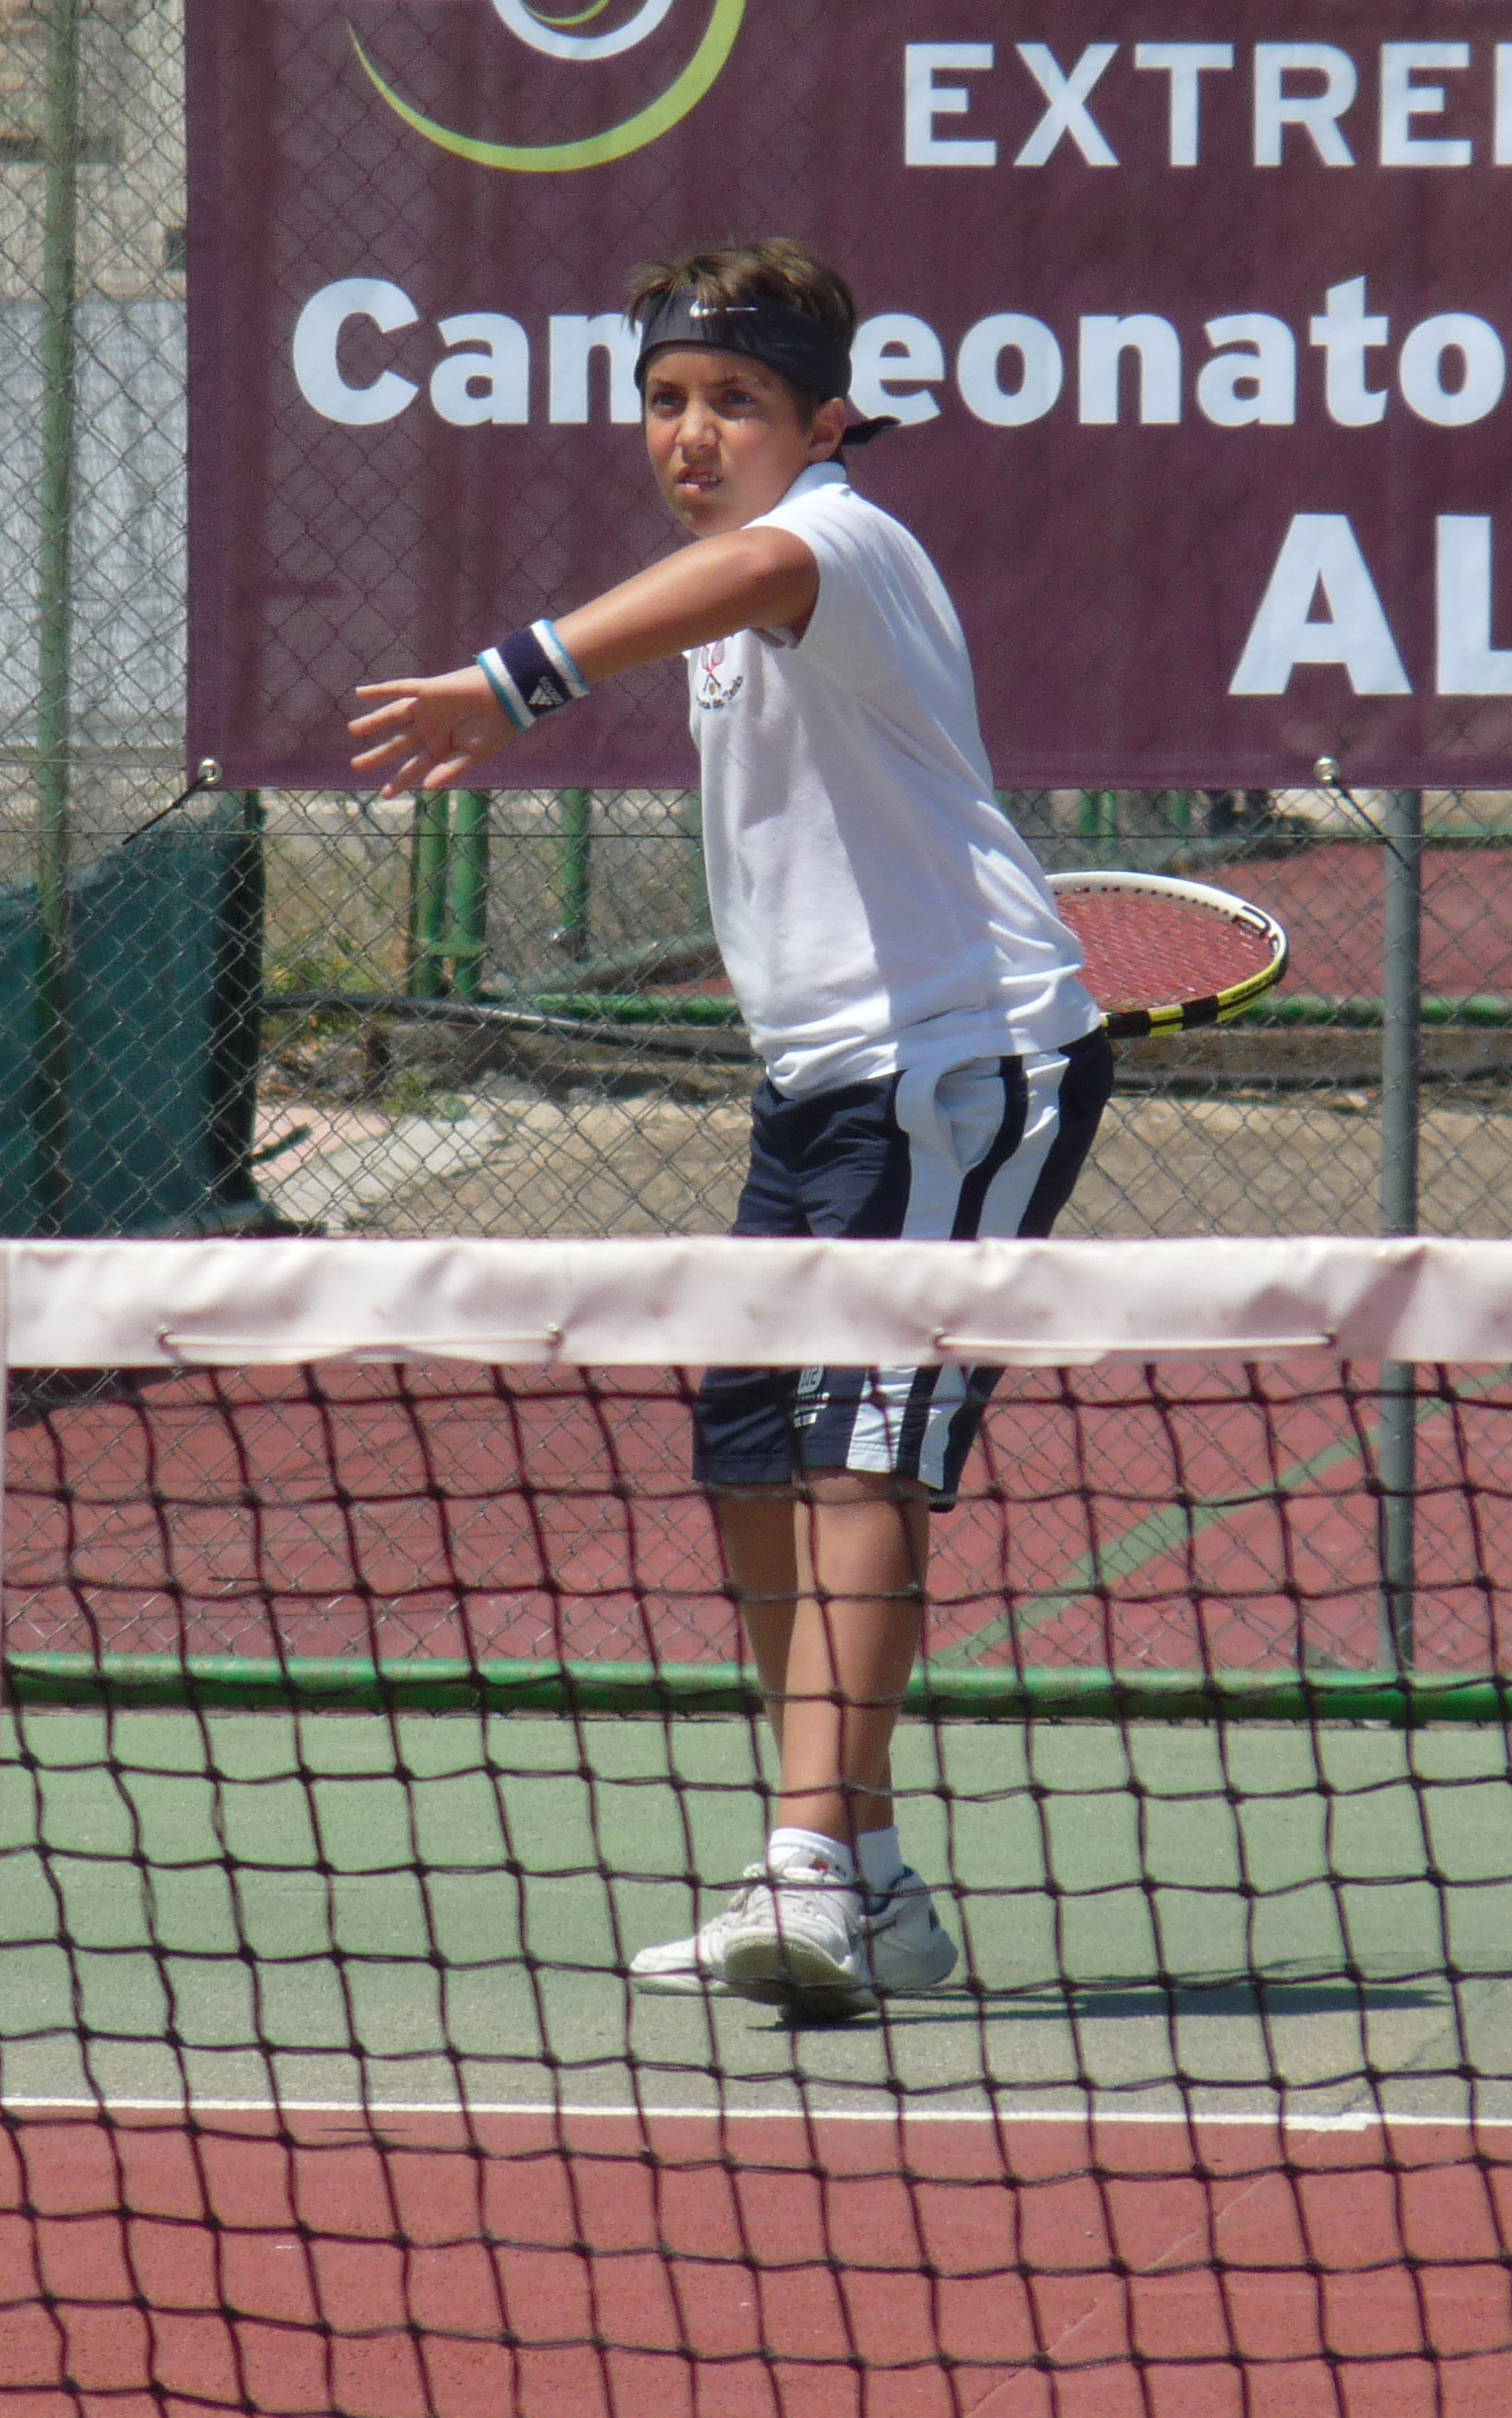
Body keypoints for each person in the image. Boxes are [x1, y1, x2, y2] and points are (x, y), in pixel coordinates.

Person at [349, 239, 1111, 2015]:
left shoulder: (840, 538)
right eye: (668, 401)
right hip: (821, 1086)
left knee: (865, 1456)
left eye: (737, 402)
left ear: (824, 423)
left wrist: (512, 679)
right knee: (751, 1452)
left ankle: (810, 1865)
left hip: (958, 1070)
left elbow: (759, 568)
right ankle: (869, 1879)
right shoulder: (738, 578)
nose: (693, 436)